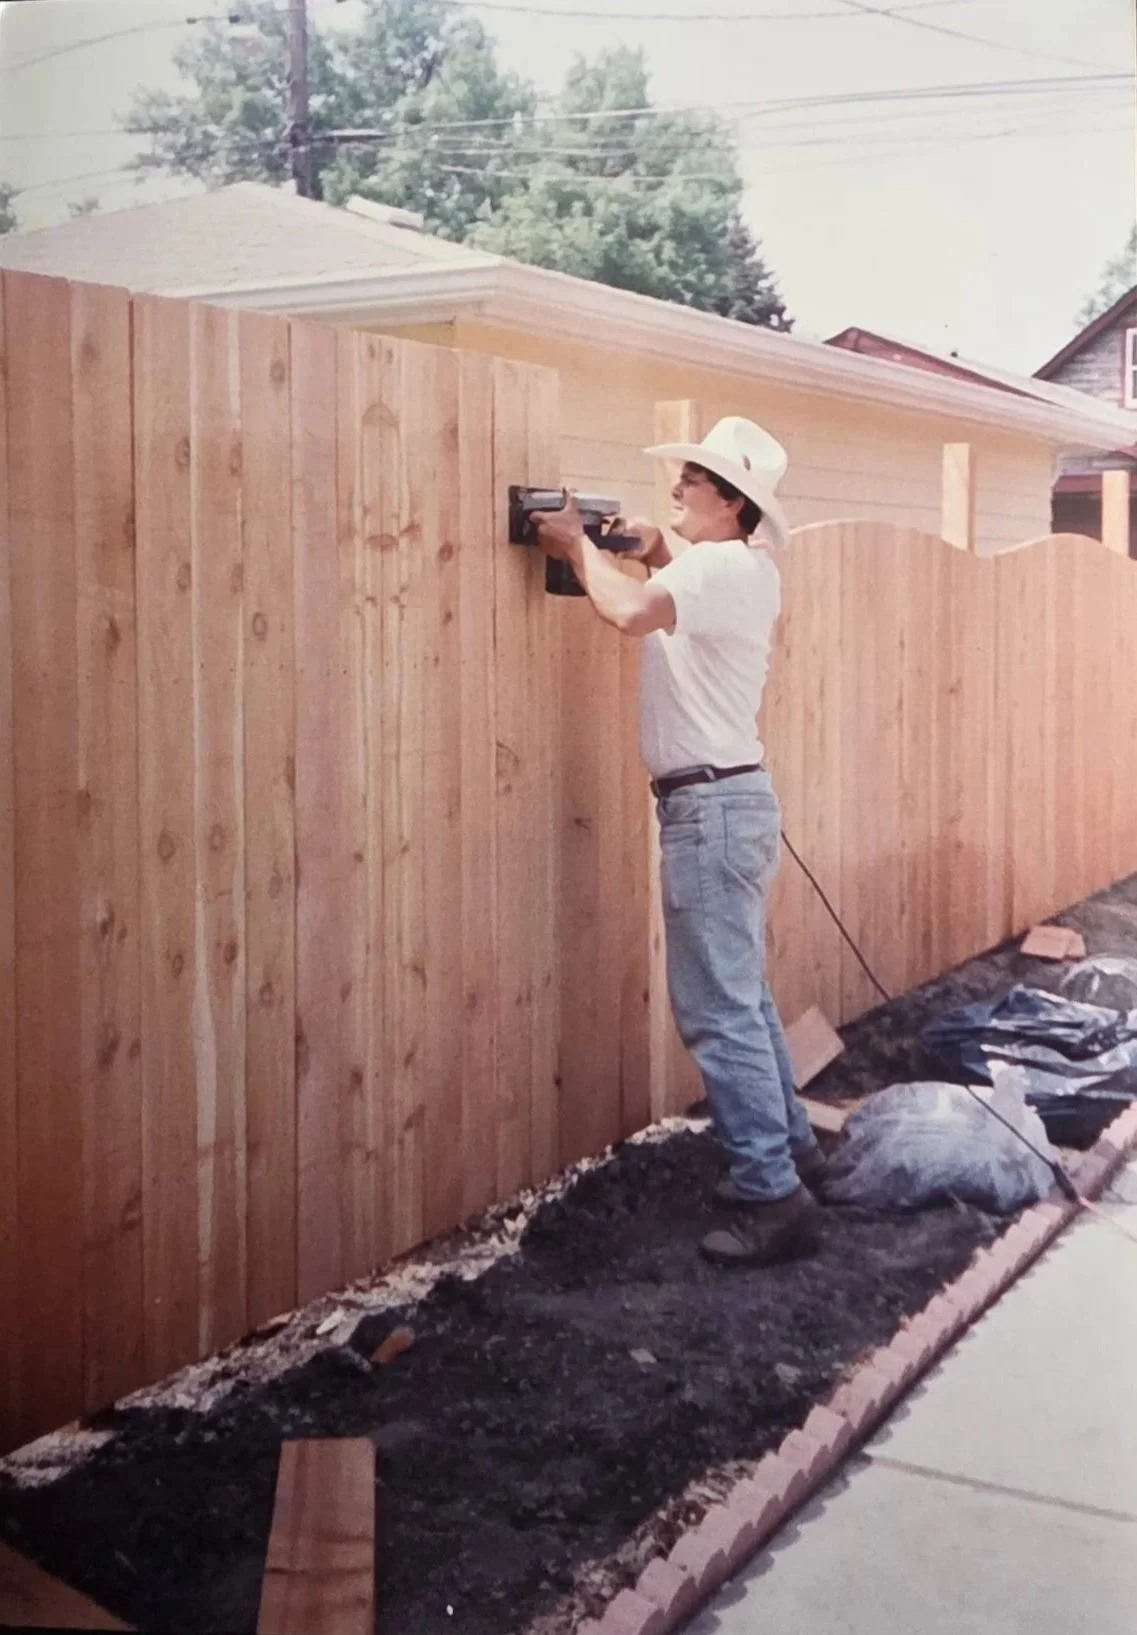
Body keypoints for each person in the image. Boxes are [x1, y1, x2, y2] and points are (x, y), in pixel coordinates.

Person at [532, 416, 824, 1268]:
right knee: (744, 998)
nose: (674, 490)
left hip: (709, 811)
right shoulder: (739, 568)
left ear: (731, 503)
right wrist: (654, 544)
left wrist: (578, 545)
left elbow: (627, 613)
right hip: (728, 802)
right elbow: (674, 594)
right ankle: (794, 1153)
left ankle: (771, 1195)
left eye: (690, 482)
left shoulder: (720, 566)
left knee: (716, 1008)